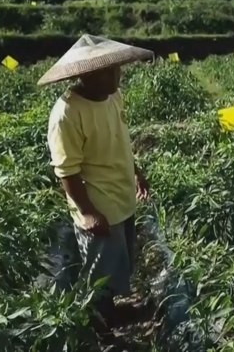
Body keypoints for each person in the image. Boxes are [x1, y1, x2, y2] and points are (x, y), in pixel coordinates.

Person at [40, 35, 153, 335]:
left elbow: (121, 139)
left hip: (122, 197)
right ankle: (100, 330)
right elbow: (67, 170)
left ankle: (113, 312)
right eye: (108, 71)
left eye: (116, 68)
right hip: (99, 204)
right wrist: (87, 212)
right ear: (87, 75)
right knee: (99, 273)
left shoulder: (113, 96)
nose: (117, 75)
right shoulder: (67, 112)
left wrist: (135, 172)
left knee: (117, 262)